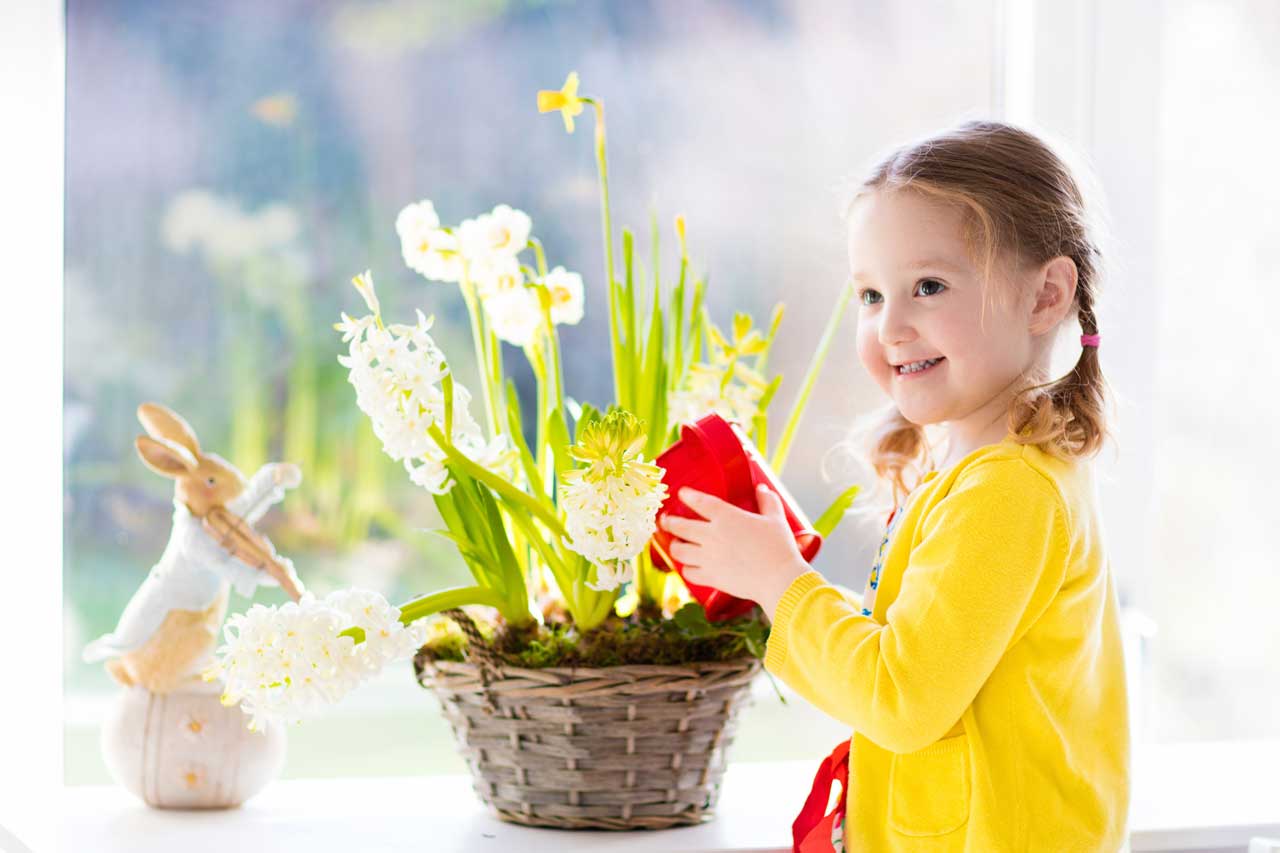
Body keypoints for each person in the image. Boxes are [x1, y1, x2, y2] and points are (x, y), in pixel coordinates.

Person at [660, 120, 1130, 852]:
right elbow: (920, 652)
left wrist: (782, 583)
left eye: (928, 286)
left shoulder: (1007, 491)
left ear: (1044, 296)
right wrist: (779, 584)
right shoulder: (981, 471)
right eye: (871, 295)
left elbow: (902, 696)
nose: (890, 326)